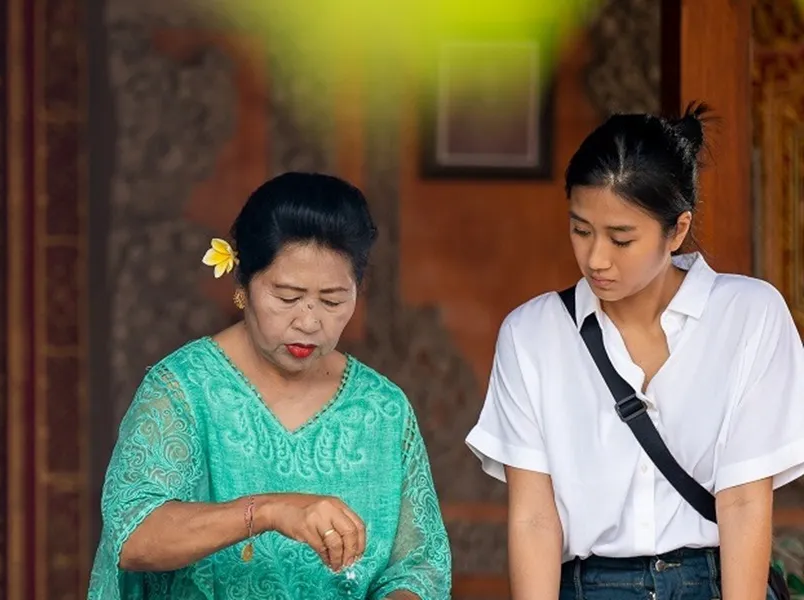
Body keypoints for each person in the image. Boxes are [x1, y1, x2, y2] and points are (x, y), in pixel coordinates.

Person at [466, 103, 804, 600]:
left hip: (712, 584)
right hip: (588, 587)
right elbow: (535, 519)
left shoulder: (750, 315)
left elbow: (743, 503)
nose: (595, 259)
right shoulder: (532, 333)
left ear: (678, 230)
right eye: (581, 230)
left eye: (621, 239)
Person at [88, 172, 452, 599]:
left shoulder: (382, 409)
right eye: (287, 297)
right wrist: (269, 511)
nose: (309, 321)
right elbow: (133, 536)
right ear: (242, 283)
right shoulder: (184, 390)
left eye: (333, 300)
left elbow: (419, 567)